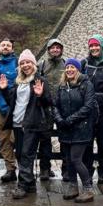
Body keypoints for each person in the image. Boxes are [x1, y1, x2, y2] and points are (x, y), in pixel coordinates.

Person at [2, 50, 52, 199]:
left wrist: (40, 94)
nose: (25, 65)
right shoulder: (18, 82)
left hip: (32, 124)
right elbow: (12, 102)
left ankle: (22, 186)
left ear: (34, 64)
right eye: (22, 63)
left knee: (26, 155)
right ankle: (30, 185)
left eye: (28, 62)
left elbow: (48, 102)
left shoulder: (40, 80)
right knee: (20, 154)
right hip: (17, 124)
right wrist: (4, 90)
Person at [51, 59, 97, 203]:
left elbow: (88, 106)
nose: (69, 69)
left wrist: (70, 119)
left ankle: (88, 189)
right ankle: (73, 186)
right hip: (65, 129)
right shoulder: (62, 86)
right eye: (67, 67)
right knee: (69, 160)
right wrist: (59, 119)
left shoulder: (86, 84)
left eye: (72, 67)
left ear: (77, 69)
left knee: (76, 159)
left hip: (81, 128)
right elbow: (55, 105)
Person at [81, 35, 103, 186]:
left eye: (97, 46)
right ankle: (87, 171)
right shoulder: (84, 63)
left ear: (102, 46)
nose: (94, 48)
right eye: (91, 46)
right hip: (87, 109)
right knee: (87, 142)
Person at [0, 40, 18, 183]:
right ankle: (10, 169)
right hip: (1, 109)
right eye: (3, 45)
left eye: (8, 45)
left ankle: (25, 169)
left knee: (17, 139)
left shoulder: (19, 63)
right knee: (4, 140)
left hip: (17, 108)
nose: (5, 47)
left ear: (12, 49)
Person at [37, 38, 66, 179]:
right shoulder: (42, 65)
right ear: (48, 50)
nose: (55, 50)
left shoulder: (66, 64)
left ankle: (66, 169)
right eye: (52, 48)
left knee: (65, 139)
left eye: (58, 48)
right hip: (46, 106)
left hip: (63, 107)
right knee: (45, 139)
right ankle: (45, 169)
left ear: (61, 50)